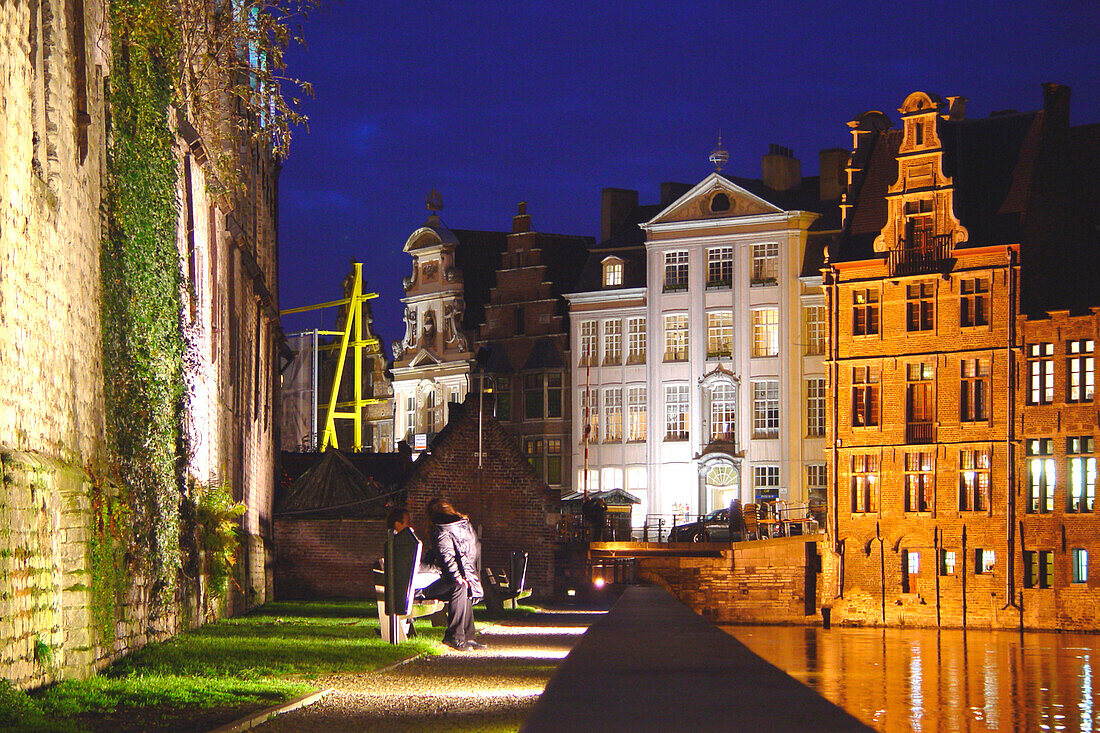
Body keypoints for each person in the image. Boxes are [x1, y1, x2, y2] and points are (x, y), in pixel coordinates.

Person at [421, 498, 485, 651]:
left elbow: (446, 556)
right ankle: (464, 636)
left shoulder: (441, 529)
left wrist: (456, 576)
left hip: (440, 577)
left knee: (461, 586)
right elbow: (472, 551)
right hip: (464, 570)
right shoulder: (464, 525)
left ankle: (457, 636)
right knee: (462, 587)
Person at [384, 506, 441, 597]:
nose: (412, 526)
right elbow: (414, 568)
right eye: (408, 523)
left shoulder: (394, 543)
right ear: (398, 525)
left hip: (403, 585)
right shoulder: (402, 544)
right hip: (407, 587)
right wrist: (436, 568)